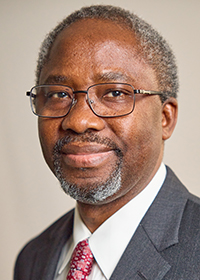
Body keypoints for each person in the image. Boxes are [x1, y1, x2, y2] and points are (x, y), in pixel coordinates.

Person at [14, 5, 200, 280]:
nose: (78, 121)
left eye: (114, 92)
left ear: (165, 118)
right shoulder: (33, 257)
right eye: (57, 95)